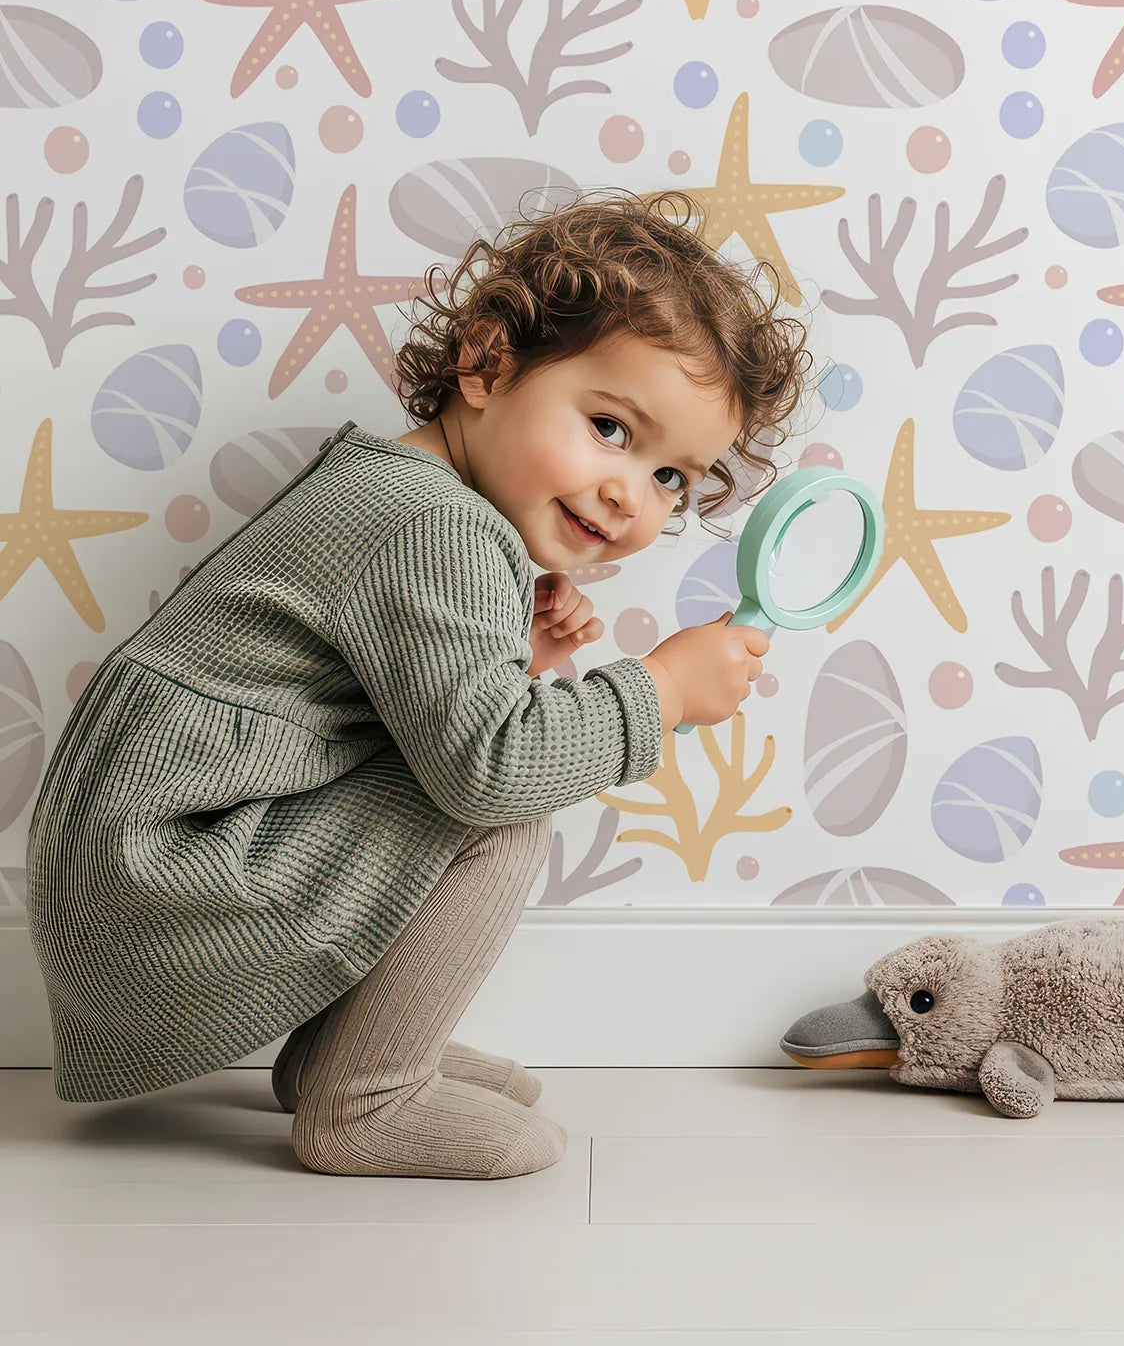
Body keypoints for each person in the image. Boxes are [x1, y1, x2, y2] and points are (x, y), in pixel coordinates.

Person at [24, 190, 811, 1180]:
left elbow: (351, 719)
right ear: (488, 365)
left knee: (475, 778)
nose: (630, 493)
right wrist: (658, 691)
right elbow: (488, 770)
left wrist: (518, 660)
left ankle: (338, 1052)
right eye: (611, 427)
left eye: (671, 479)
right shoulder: (440, 526)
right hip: (156, 890)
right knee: (505, 809)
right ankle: (366, 1097)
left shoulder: (393, 487)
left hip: (123, 881)